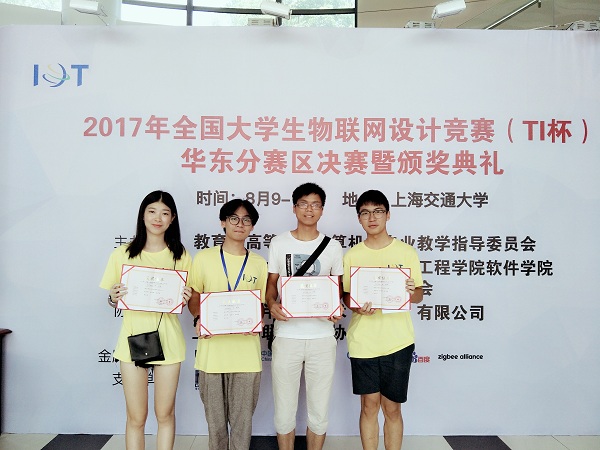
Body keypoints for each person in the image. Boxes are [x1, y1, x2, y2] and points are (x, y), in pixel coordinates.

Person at [100, 190, 192, 450]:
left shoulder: (180, 255)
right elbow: (112, 299)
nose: (157, 218)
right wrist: (112, 297)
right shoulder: (122, 254)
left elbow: (186, 298)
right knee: (136, 417)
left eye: (164, 213)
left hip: (169, 341)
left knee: (165, 414)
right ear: (142, 215)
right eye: (152, 211)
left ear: (173, 218)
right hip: (132, 341)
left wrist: (186, 297)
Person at [342, 189, 424, 450]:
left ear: (388, 215)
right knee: (369, 406)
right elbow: (346, 297)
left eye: (378, 211)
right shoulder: (352, 255)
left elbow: (419, 295)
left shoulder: (407, 252)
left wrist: (411, 291)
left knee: (392, 408)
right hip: (363, 341)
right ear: (359, 218)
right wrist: (357, 307)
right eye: (365, 213)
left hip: (398, 341)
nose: (372, 217)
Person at [266, 182, 343, 450]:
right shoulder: (279, 243)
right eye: (303, 204)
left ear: (322, 209)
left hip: (322, 337)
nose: (309, 209)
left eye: (315, 205)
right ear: (294, 208)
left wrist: (336, 307)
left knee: (319, 412)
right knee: (283, 411)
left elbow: (337, 288)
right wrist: (271, 303)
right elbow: (271, 284)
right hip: (287, 335)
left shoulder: (333, 247)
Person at [187, 199, 268, 450]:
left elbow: (260, 304)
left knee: (243, 425)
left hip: (246, 356)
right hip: (212, 355)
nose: (240, 224)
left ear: (252, 227)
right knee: (216, 426)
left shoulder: (259, 263)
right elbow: (194, 296)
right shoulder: (203, 258)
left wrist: (255, 319)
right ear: (223, 222)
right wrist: (199, 318)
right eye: (234, 218)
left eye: (246, 220)